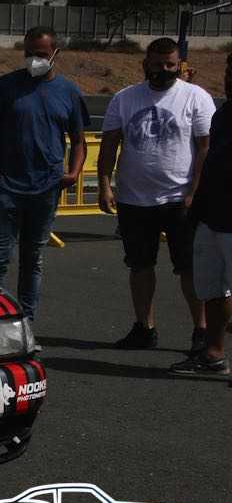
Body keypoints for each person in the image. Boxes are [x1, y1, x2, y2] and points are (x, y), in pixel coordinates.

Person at [98, 37, 215, 352]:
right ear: (145, 65)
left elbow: (205, 148)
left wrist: (194, 192)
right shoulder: (125, 98)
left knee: (189, 268)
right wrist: (105, 184)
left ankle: (202, 330)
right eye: (157, 64)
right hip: (134, 199)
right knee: (139, 265)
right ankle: (144, 328)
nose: (163, 70)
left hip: (179, 199)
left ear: (179, 66)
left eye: (170, 65)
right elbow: (109, 143)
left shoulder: (196, 97)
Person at [0, 26, 90, 323]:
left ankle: (26, 321)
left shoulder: (68, 92)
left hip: (46, 189)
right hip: (9, 189)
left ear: (55, 54)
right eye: (28, 53)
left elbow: (79, 140)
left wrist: (73, 172)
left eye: (40, 54)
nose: (34, 60)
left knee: (33, 259)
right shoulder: (5, 87)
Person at [170, 52, 232, 375]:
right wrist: (197, 209)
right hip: (212, 218)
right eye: (229, 71)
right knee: (211, 290)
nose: (229, 78)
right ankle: (213, 354)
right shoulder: (223, 115)